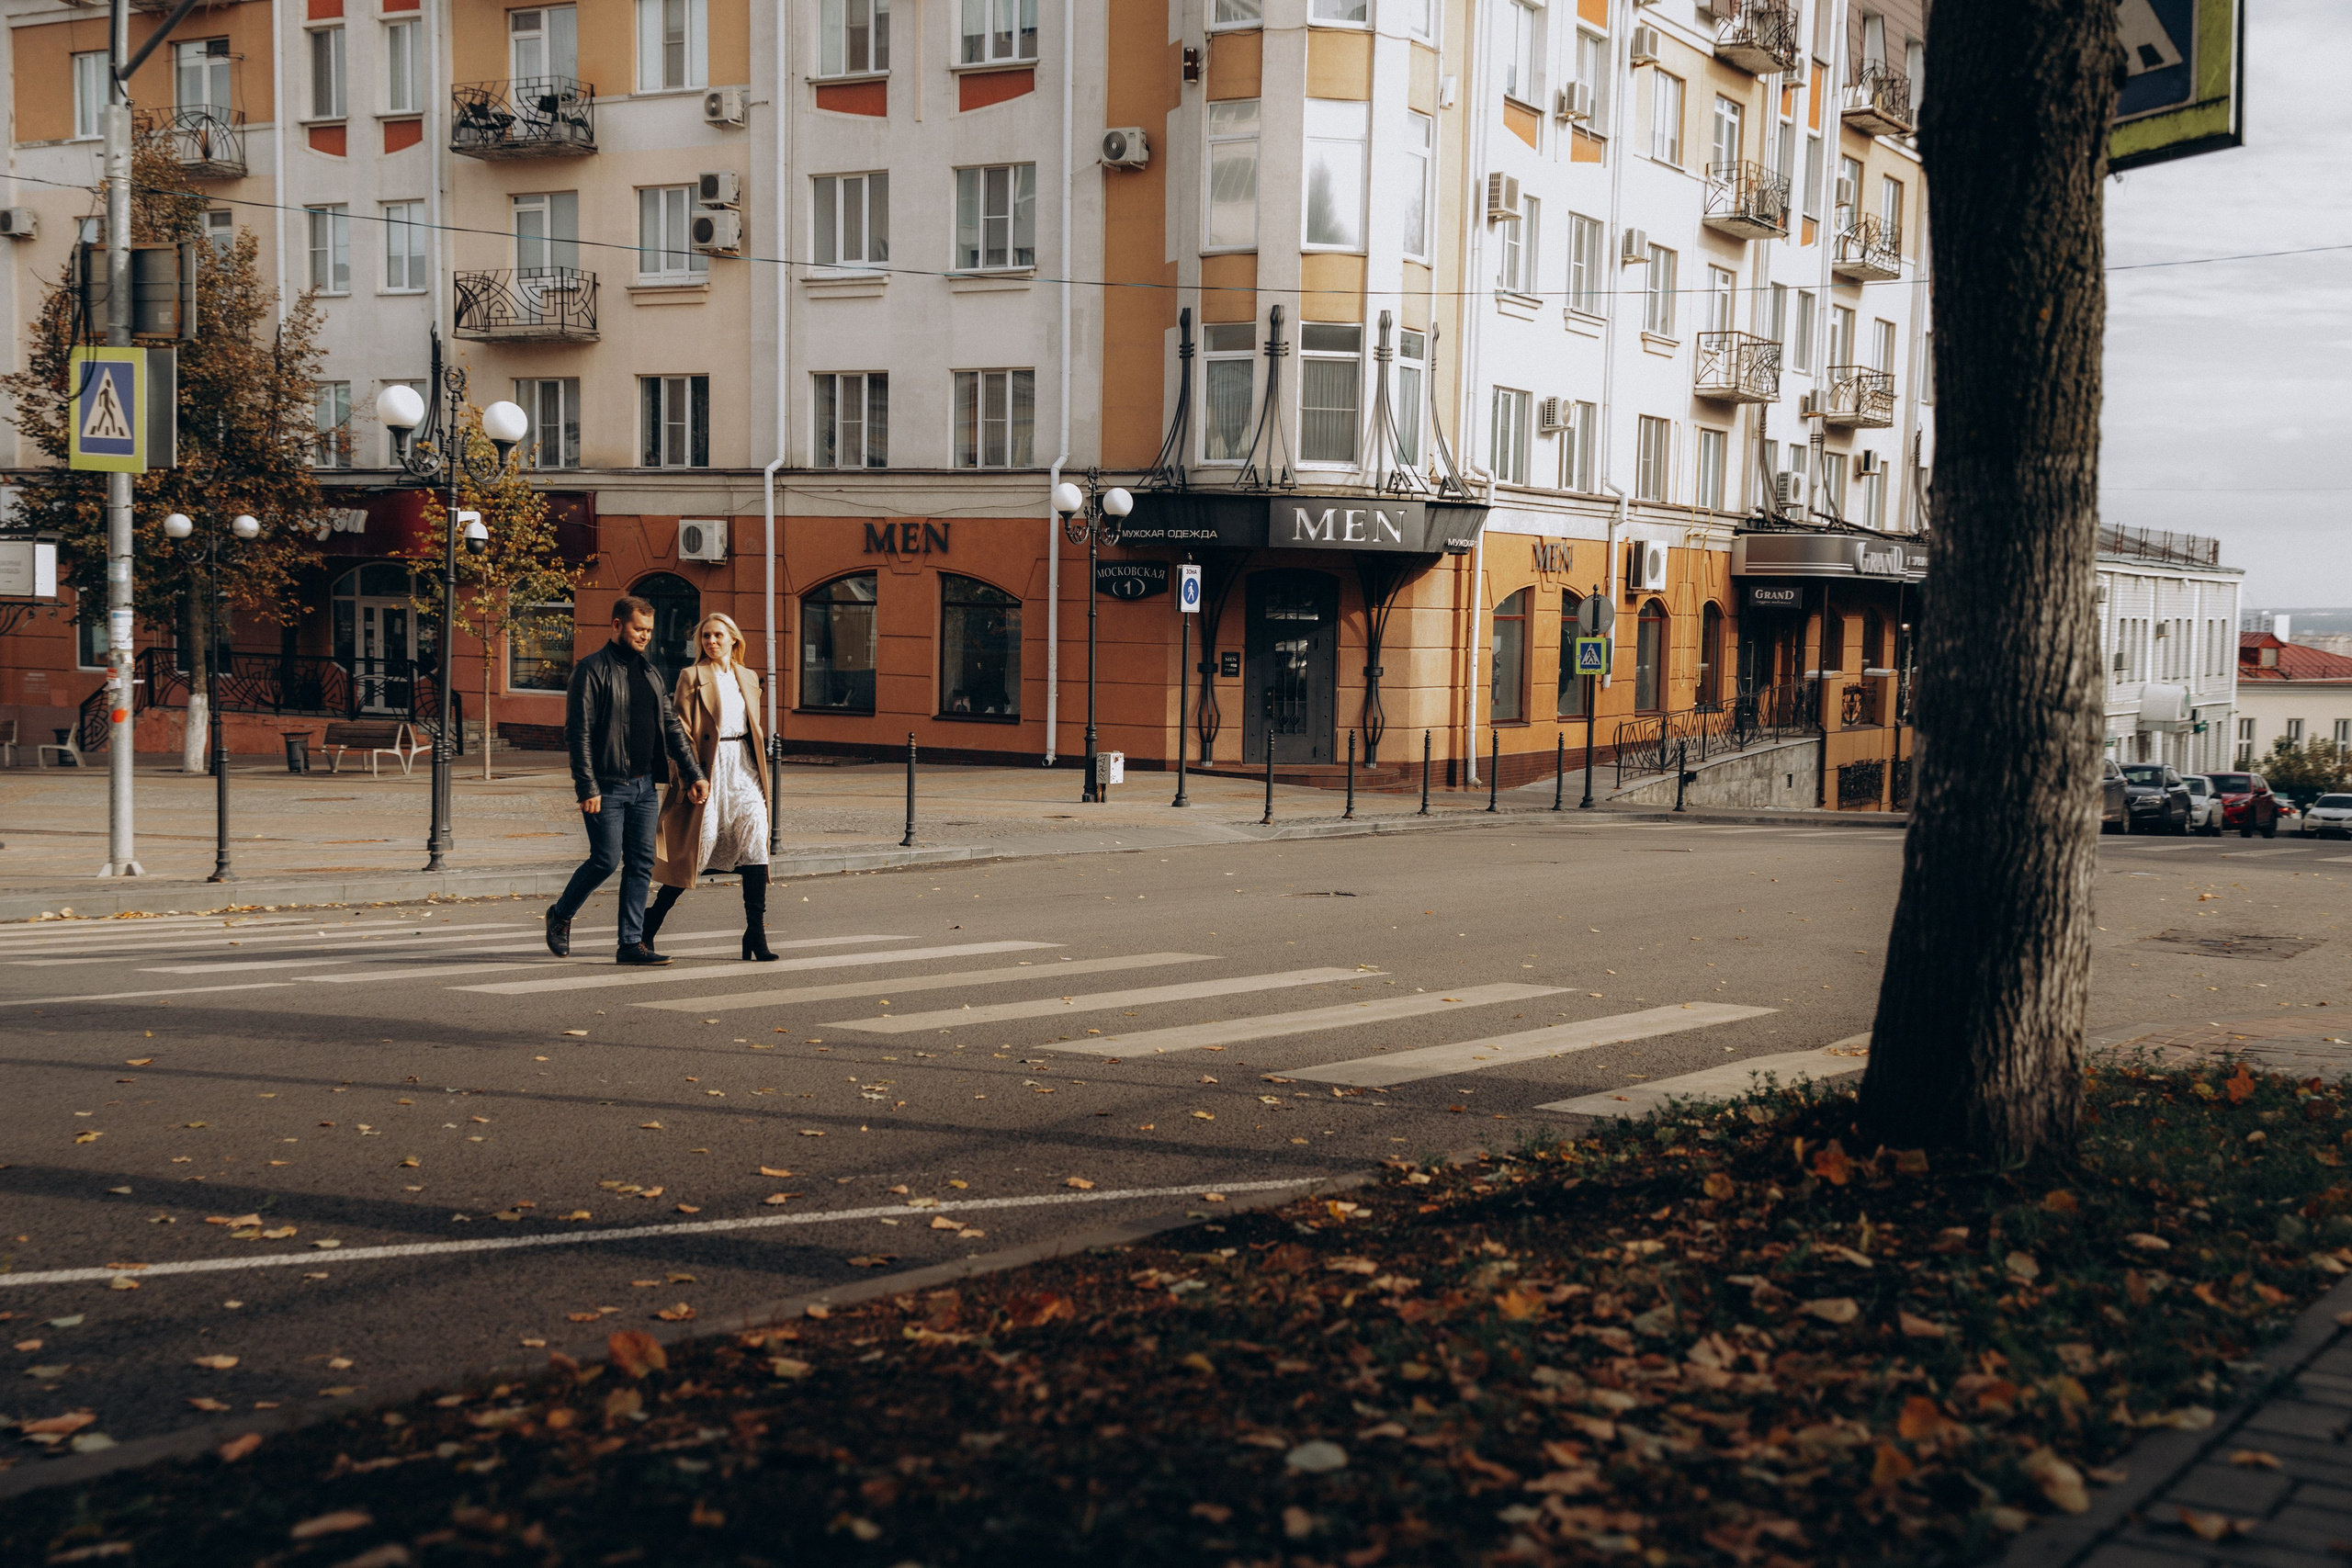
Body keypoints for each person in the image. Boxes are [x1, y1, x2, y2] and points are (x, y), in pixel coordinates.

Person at [546, 595, 706, 965]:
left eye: (649, 630)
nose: (644, 636)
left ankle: (631, 943)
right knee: (604, 859)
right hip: (606, 785)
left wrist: (694, 773)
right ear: (617, 625)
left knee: (641, 863)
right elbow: (579, 733)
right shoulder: (591, 670)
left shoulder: (650, 673)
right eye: (638, 629)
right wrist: (587, 787)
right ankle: (561, 914)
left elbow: (672, 728)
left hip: (645, 785)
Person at [641, 613, 779, 962]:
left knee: (755, 839)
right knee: (695, 848)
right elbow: (681, 733)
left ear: (734, 639)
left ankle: (756, 934)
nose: (711, 642)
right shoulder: (691, 676)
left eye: (718, 636)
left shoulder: (747, 677)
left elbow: (753, 727)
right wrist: (688, 777)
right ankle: (649, 924)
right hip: (708, 768)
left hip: (744, 767)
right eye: (706, 636)